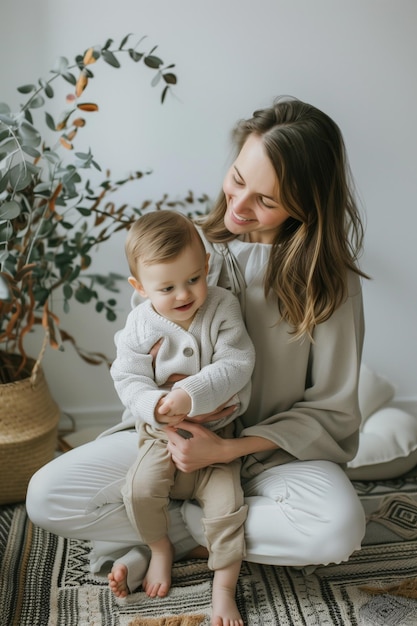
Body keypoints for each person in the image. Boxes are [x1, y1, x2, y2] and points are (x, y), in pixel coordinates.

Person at [27, 96, 368, 626]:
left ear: (307, 205)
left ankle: (159, 534)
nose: (238, 207)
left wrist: (226, 448)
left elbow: (333, 410)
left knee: (337, 531)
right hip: (173, 446)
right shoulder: (188, 252)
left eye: (267, 200)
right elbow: (136, 364)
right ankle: (191, 527)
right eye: (237, 179)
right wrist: (164, 416)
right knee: (46, 497)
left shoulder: (330, 285)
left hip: (273, 458)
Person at [109, 210, 255, 626]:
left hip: (218, 434)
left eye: (193, 279)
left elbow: (239, 362)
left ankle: (223, 589)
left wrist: (188, 393)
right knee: (137, 490)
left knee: (228, 506)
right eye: (167, 287)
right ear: (140, 288)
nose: (184, 294)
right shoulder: (140, 322)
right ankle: (160, 548)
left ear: (206, 266)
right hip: (159, 436)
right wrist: (153, 405)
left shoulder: (223, 305)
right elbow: (126, 375)